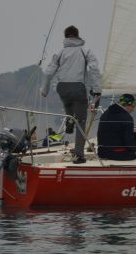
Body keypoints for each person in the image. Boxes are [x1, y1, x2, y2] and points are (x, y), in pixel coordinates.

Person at [40, 25, 102, 164]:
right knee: (81, 121)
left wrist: (44, 90)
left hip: (62, 88)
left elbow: (49, 72)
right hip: (78, 88)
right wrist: (97, 89)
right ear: (77, 36)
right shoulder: (85, 51)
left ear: (66, 37)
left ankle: (69, 120)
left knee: (69, 106)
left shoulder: (60, 53)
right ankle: (79, 155)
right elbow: (94, 69)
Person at [96, 94, 136, 161]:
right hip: (115, 154)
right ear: (129, 105)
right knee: (135, 154)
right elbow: (128, 139)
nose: (133, 109)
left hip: (101, 152)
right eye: (133, 106)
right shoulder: (126, 117)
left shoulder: (106, 113)